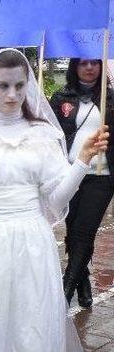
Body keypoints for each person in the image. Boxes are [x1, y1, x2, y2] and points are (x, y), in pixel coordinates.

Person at [0, 49, 108, 352]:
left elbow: (57, 199)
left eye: (19, 86)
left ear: (28, 85)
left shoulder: (42, 135)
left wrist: (82, 161)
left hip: (32, 243)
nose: (12, 95)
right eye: (3, 86)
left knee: (32, 325)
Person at [50, 58, 114, 308]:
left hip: (101, 175)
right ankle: (83, 280)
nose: (89, 67)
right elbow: (51, 133)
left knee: (84, 232)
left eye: (95, 63)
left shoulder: (110, 98)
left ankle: (66, 288)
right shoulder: (61, 97)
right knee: (72, 230)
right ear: (75, 67)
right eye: (83, 63)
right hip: (69, 173)